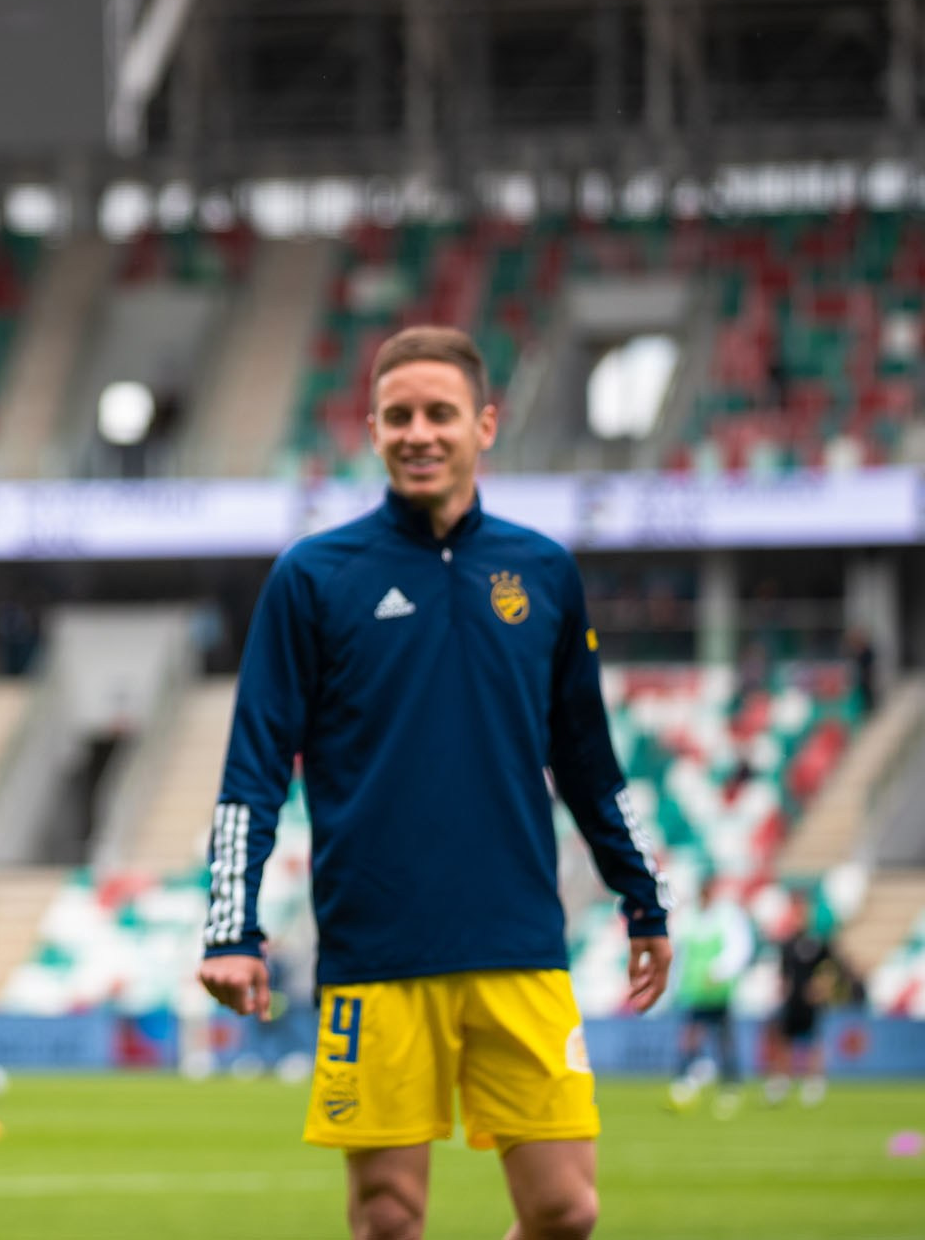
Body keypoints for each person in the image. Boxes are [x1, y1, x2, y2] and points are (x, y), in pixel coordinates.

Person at [196, 326, 672, 1240]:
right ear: (373, 430)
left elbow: (589, 760)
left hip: (519, 941)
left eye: (440, 413)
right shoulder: (312, 576)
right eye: (399, 415)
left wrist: (643, 897)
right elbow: (252, 766)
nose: (419, 432)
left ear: (484, 424)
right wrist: (231, 926)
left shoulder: (544, 571)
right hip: (377, 949)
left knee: (566, 1210)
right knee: (388, 1217)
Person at [666, 876, 755, 1117]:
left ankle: (730, 1082)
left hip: (718, 990)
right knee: (691, 1035)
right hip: (694, 990)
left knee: (723, 1038)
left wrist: (719, 972)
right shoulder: (689, 918)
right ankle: (686, 1075)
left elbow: (739, 949)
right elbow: (680, 953)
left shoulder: (727, 916)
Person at [763, 892, 849, 1108]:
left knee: (813, 1043)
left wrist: (822, 988)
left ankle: (814, 1083)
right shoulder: (787, 944)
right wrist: (781, 993)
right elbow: (784, 975)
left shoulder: (818, 943)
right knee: (784, 1042)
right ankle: (781, 1082)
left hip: (811, 1003)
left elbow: (833, 969)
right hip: (792, 1001)